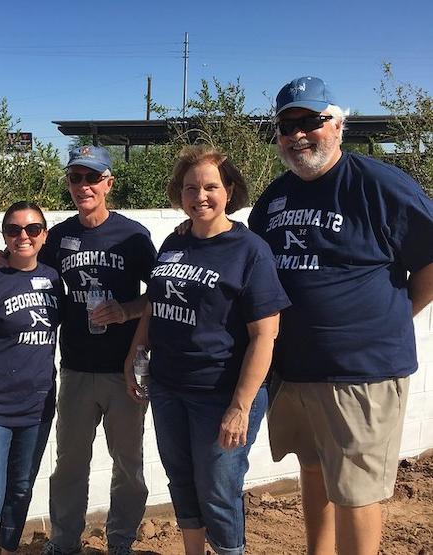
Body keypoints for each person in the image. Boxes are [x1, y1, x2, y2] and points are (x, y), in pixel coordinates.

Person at [248, 76, 433, 555]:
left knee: (356, 490)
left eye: (311, 120)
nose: (299, 134)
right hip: (294, 370)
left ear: (338, 124)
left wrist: (396, 314)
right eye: (287, 125)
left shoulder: (380, 185)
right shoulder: (273, 198)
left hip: (361, 373)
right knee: (312, 467)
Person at [125, 145, 290, 555]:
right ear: (179, 195)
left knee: (218, 488)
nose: (200, 196)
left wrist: (241, 406)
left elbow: (265, 335)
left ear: (230, 190)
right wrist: (135, 351)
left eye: (210, 186)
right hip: (168, 387)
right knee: (180, 479)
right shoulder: (174, 241)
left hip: (221, 394)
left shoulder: (250, 250)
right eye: (190, 188)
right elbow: (155, 304)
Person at [42, 146, 156, 555]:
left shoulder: (132, 235)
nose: (83, 186)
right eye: (76, 178)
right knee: (70, 465)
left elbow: (160, 297)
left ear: (109, 183)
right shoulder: (58, 237)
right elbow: (34, 278)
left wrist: (125, 310)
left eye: (92, 178)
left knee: (128, 466)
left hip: (123, 371)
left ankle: (120, 541)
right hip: (75, 367)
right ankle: (63, 541)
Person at [0, 201, 64, 555]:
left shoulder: (53, 280)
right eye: (14, 230)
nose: (24, 236)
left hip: (37, 407)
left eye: (32, 229)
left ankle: (6, 549)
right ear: (4, 235)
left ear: (44, 235)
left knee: (20, 493)